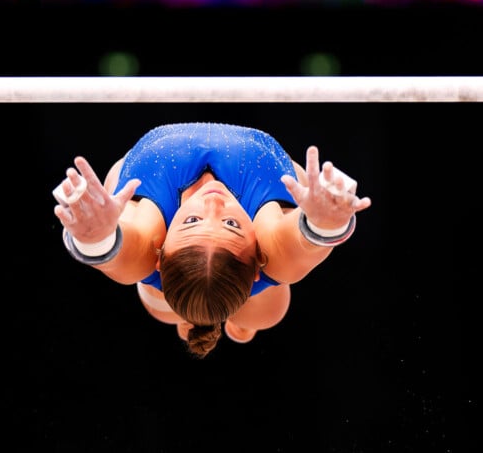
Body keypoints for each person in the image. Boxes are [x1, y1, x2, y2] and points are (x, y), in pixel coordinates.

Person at [53, 122, 371, 358]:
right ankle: (227, 320)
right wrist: (325, 222)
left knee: (162, 296)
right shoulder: (270, 242)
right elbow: (304, 243)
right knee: (264, 313)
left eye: (192, 221)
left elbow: (117, 258)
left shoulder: (148, 236)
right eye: (231, 224)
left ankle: (191, 317)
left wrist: (94, 235)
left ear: (160, 255)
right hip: (245, 284)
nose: (212, 203)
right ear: (259, 258)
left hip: (170, 279)